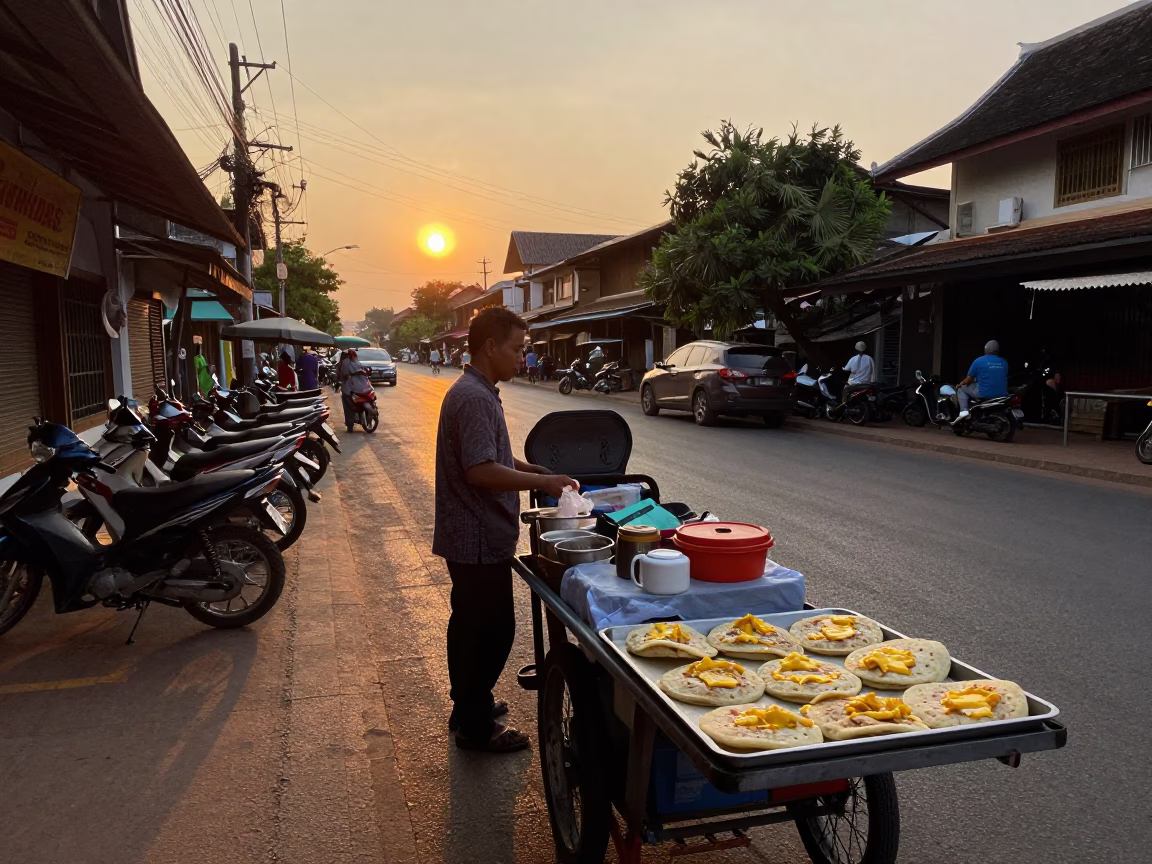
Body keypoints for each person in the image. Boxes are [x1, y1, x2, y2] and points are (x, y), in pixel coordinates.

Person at [433, 307, 577, 753]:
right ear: (491, 347)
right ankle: (475, 727)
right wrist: (542, 482)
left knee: (469, 625)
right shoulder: (475, 398)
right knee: (492, 632)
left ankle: (469, 704)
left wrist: (528, 466)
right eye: (517, 349)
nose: (522, 358)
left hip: (471, 535)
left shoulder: (478, 390)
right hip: (475, 536)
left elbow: (491, 453)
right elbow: (479, 469)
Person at [956, 340, 1010, 419]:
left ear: (985, 349)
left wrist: (961, 384)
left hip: (984, 393)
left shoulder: (979, 361)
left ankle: (964, 412)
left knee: (961, 389)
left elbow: (969, 380)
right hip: (1002, 394)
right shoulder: (1004, 362)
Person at [337, 348, 364, 431]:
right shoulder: (356, 362)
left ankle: (350, 424)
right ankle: (355, 421)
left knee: (347, 407)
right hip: (358, 387)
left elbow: (342, 375)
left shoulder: (343, 363)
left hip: (348, 388)